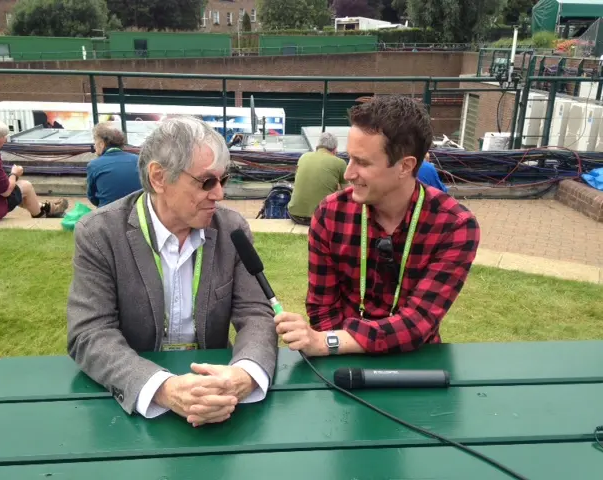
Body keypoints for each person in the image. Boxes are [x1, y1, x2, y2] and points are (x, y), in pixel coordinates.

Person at [67, 116, 278, 427]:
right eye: (206, 182)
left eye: (223, 179)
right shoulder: (99, 233)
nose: (219, 194)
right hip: (133, 409)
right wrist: (162, 388)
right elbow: (89, 332)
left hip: (218, 393)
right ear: (158, 178)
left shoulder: (233, 228)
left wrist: (244, 374)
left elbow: (257, 313)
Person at [274, 95, 480, 356]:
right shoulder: (330, 213)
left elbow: (418, 322)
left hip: (415, 363)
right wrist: (338, 346)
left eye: (362, 162)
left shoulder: (455, 226)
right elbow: (321, 308)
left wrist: (329, 342)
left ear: (405, 166)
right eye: (349, 158)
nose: (348, 174)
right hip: (341, 359)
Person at [0, 116, 68, 224]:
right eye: (4, 136)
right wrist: (14, 174)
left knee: (16, 191)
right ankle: (42, 214)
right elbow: (6, 191)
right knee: (25, 186)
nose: (6, 139)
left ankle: (44, 207)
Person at [287, 132, 346, 225]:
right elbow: (347, 193)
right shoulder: (340, 163)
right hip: (321, 218)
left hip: (294, 215)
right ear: (335, 149)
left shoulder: (303, 157)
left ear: (318, 146)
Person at [86, 123, 142, 207]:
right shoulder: (138, 160)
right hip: (136, 210)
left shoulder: (94, 165)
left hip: (107, 213)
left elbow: (92, 197)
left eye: (95, 142)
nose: (94, 146)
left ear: (101, 144)